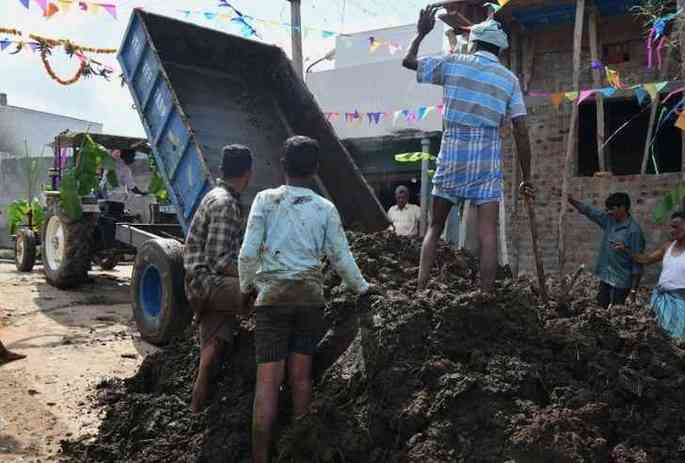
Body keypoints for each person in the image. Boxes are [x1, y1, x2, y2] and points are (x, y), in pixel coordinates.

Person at [238, 136, 373, 463]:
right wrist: (364, 289)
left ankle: (260, 457)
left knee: (267, 384)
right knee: (301, 378)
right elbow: (341, 258)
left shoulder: (265, 201)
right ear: (315, 170)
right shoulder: (324, 208)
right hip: (310, 300)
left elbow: (247, 254)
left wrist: (247, 289)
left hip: (272, 301)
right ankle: (298, 453)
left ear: (282, 165)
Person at [403, 8, 529, 296]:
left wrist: (422, 33)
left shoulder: (453, 62)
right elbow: (521, 131)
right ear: (499, 49)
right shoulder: (509, 80)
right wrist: (527, 176)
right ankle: (485, 295)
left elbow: (408, 62)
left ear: (473, 43)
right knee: (488, 234)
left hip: (452, 152)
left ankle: (421, 289)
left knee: (434, 227)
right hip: (487, 158)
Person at [183, 144, 256, 413]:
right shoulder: (225, 204)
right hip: (206, 283)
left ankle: (196, 410)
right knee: (266, 293)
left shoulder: (218, 196)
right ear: (247, 174)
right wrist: (256, 276)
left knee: (211, 352)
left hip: (203, 283)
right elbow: (220, 261)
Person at [558, 189, 645, 308]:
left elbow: (638, 264)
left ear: (622, 208)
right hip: (606, 276)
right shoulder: (609, 220)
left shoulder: (634, 231)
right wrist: (571, 200)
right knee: (600, 308)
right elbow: (589, 211)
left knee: (616, 313)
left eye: (611, 209)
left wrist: (633, 291)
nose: (608, 212)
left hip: (622, 282)